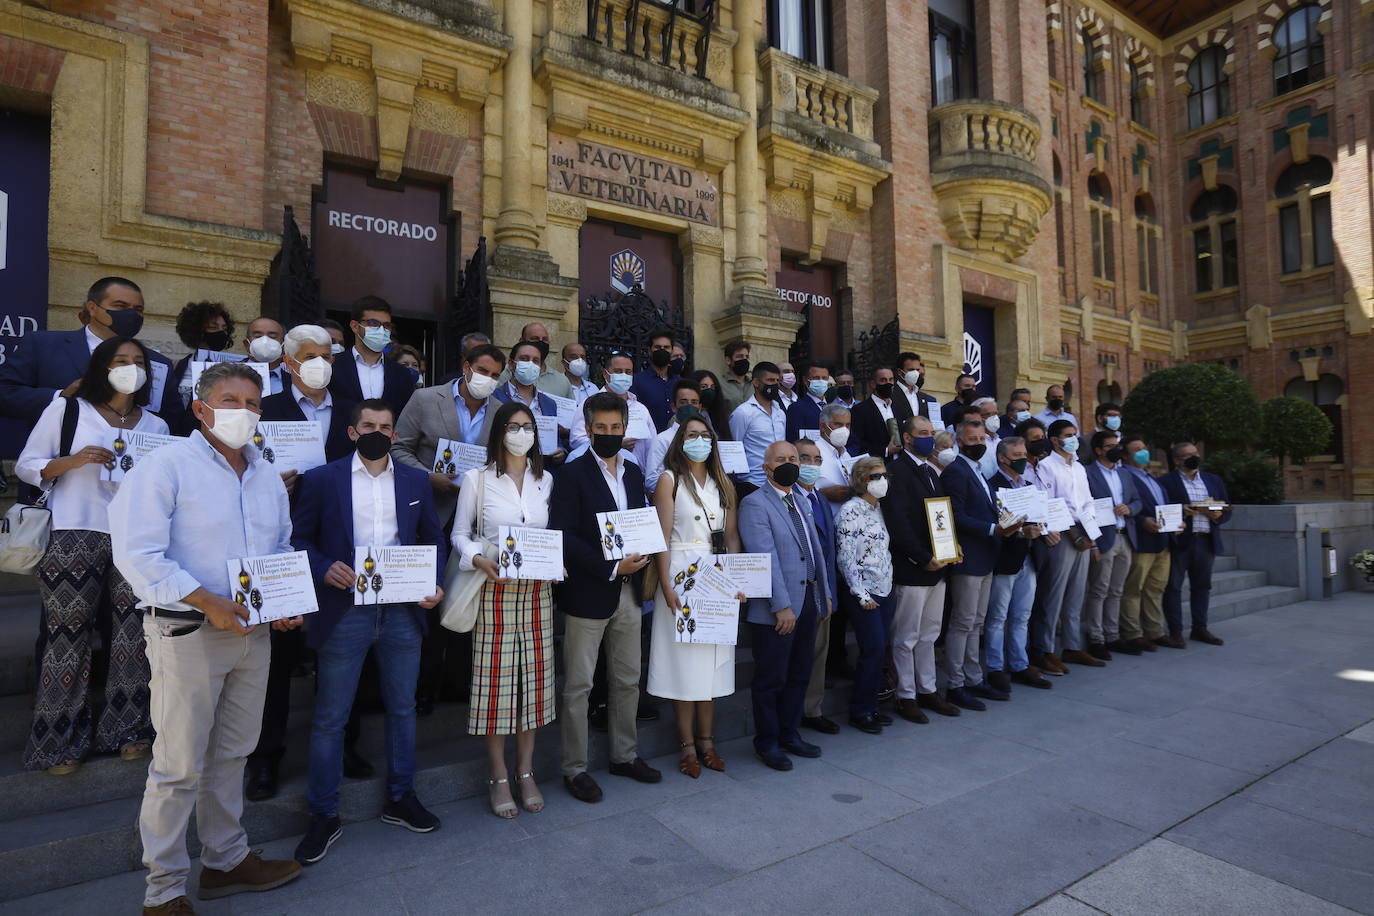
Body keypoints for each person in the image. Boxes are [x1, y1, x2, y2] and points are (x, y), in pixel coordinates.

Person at [108, 362, 302, 914]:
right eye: (231, 400)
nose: (245, 412)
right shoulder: (166, 465)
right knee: (178, 764)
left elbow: (282, 546)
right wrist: (207, 600)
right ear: (200, 408)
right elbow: (138, 554)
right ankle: (164, 890)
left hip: (253, 634)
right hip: (188, 632)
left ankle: (225, 861)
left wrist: (285, 600)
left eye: (253, 403)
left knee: (234, 752)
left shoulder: (265, 472)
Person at [290, 400, 446, 864]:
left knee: (402, 707)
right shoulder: (322, 479)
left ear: (395, 434)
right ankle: (323, 813)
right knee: (330, 716)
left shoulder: (415, 480)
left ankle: (400, 797)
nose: (377, 432)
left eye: (385, 427)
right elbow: (299, 538)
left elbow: (431, 538)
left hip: (402, 609)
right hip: (345, 610)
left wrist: (434, 582)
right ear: (352, 432)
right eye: (368, 426)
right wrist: (322, 567)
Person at [17, 336, 166, 774]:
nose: (131, 368)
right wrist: (72, 460)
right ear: (102, 366)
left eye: (138, 362)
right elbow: (28, 463)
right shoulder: (67, 410)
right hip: (72, 529)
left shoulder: (155, 427)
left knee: (135, 635)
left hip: (135, 536)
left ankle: (128, 729)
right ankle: (57, 739)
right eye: (121, 360)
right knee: (67, 637)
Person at [247, 324, 366, 801]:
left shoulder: (351, 413)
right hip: (278, 544)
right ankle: (265, 759)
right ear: (289, 362)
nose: (321, 362)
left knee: (343, 648)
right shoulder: (264, 410)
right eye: (311, 355)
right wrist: (269, 482)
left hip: (338, 545)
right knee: (276, 661)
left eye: (327, 354)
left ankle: (347, 746)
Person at [552, 393, 662, 802]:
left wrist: (645, 552)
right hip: (588, 592)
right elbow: (564, 535)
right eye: (602, 428)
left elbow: (638, 523)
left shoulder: (632, 473)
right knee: (579, 685)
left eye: (617, 428)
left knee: (628, 680)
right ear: (588, 427)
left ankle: (624, 754)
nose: (610, 435)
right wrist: (612, 567)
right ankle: (574, 767)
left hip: (630, 594)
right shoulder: (571, 473)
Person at [451, 401, 557, 817]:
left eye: (528, 426)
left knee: (533, 685)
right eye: (513, 426)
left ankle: (526, 771)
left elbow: (550, 535)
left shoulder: (545, 478)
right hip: (494, 590)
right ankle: (497, 775)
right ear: (499, 431)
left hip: (536, 594)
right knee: (495, 689)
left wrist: (555, 563)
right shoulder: (477, 479)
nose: (521, 433)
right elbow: (460, 533)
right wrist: (477, 558)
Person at [647, 414, 741, 777]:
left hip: (715, 579)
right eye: (691, 435)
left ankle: (708, 741)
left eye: (705, 434)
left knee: (710, 666)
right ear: (679, 440)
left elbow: (730, 537)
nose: (698, 440)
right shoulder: (669, 481)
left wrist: (734, 580)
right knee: (683, 667)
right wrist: (666, 586)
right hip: (681, 578)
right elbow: (663, 535)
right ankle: (687, 747)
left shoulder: (724, 483)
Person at [0, 277, 179, 455]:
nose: (131, 315)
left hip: (131, 472)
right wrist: (59, 396)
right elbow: (5, 394)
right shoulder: (42, 345)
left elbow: (172, 421)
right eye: (120, 306)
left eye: (138, 309)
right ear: (92, 308)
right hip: (58, 468)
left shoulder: (158, 363)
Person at [738, 441, 834, 770]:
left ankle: (790, 733)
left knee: (799, 673)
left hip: (809, 598)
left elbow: (815, 551)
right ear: (767, 468)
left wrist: (825, 594)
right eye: (782, 459)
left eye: (794, 458)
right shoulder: (755, 504)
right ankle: (767, 742)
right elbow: (765, 557)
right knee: (771, 679)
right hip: (777, 609)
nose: (790, 463)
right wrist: (781, 605)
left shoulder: (801, 499)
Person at [882, 416, 957, 721]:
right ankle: (906, 695)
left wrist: (953, 545)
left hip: (938, 566)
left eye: (931, 433)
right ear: (908, 438)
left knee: (929, 634)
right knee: (906, 636)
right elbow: (899, 523)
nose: (929, 438)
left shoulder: (931, 471)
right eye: (922, 433)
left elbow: (940, 515)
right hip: (913, 568)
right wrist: (922, 556)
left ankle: (928, 689)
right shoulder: (897, 470)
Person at [942, 417, 1019, 709]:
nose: (978, 445)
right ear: (959, 441)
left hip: (987, 556)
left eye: (982, 440)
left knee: (976, 623)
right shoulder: (956, 472)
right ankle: (955, 684)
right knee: (962, 623)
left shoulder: (977, 471)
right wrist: (993, 529)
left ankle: (973, 678)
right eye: (972, 440)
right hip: (969, 558)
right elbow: (956, 516)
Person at [393, 343, 505, 527]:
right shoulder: (424, 399)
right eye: (483, 371)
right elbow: (398, 448)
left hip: (476, 516)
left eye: (495, 375)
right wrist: (427, 476)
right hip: (429, 506)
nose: (488, 379)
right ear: (466, 368)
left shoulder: (500, 411)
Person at [1032, 420, 1103, 670]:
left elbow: (1088, 500)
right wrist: (1072, 533)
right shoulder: (1046, 466)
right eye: (1068, 435)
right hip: (1061, 534)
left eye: (1075, 434)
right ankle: (1045, 649)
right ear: (1054, 440)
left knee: (1076, 594)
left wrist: (1091, 531)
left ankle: (1072, 647)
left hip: (1084, 532)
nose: (1074, 439)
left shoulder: (1079, 467)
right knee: (1053, 594)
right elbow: (1049, 502)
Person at [985, 438, 1052, 692]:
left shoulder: (1028, 484)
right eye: (1017, 454)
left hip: (1027, 557)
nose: (1024, 458)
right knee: (998, 617)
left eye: (1024, 453)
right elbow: (1000, 525)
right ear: (1003, 458)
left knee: (1022, 615)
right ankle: (995, 667)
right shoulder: (993, 486)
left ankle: (1020, 664)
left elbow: (1038, 517)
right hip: (1004, 559)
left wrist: (1044, 529)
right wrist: (1024, 531)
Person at [834, 457, 896, 733]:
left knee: (880, 649)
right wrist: (860, 594)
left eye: (883, 475)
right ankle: (860, 710)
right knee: (871, 649)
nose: (881, 481)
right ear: (861, 480)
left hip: (885, 589)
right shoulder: (850, 511)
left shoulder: (880, 509)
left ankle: (872, 706)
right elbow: (846, 558)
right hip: (863, 593)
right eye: (874, 476)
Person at [1161, 442, 1231, 647]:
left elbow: (1227, 508)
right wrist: (1182, 510)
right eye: (1187, 455)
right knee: (1173, 587)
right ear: (1176, 460)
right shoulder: (1166, 482)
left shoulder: (1213, 480)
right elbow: (1161, 509)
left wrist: (1218, 515)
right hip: (1180, 541)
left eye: (1195, 453)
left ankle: (1200, 628)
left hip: (1206, 540)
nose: (1193, 457)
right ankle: (1175, 631)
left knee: (1202, 586)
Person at [1083, 431, 1141, 659]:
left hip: (1124, 536)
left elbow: (1137, 501)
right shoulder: (1088, 473)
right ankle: (1096, 638)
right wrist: (1093, 543)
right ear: (1098, 450)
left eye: (1117, 445)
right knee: (1099, 590)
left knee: (1117, 590)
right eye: (1110, 446)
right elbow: (1084, 507)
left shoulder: (1125, 474)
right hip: (1103, 537)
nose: (1116, 449)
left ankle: (1113, 635)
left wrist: (1130, 509)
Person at [796, 439, 839, 736]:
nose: (811, 465)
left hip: (822, 590)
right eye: (804, 459)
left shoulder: (820, 499)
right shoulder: (788, 498)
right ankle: (792, 711)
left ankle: (813, 709)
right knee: (797, 655)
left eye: (816, 459)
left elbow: (829, 552)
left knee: (820, 652)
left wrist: (830, 593)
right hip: (797, 591)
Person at [1116, 437, 1169, 653]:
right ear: (1127, 455)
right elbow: (1124, 505)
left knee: (1155, 588)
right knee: (1133, 589)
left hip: (1162, 539)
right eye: (1136, 450)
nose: (1143, 452)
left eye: (1144, 448)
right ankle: (1133, 633)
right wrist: (1141, 520)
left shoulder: (1152, 476)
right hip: (1141, 540)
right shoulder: (1124, 476)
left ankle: (1155, 631)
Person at [327, 296, 416, 415]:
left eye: (386, 325)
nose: (381, 330)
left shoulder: (401, 374)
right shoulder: (332, 366)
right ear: (355, 326)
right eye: (373, 323)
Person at [570, 352, 655, 468]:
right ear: (606, 374)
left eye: (628, 372)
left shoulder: (641, 408)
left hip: (636, 474)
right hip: (598, 470)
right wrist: (614, 443)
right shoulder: (589, 404)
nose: (624, 375)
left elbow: (652, 446)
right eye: (618, 371)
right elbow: (576, 440)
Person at [493, 340, 567, 464]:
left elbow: (556, 441)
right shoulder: (495, 398)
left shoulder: (549, 403)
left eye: (535, 361)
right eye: (524, 359)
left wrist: (561, 451)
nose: (530, 364)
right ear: (511, 364)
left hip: (542, 471)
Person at [168, 300, 236, 419]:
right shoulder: (178, 365)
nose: (221, 332)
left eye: (224, 328)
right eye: (213, 327)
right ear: (197, 331)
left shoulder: (234, 368)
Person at [728, 361, 787, 487]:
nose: (775, 384)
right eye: (770, 380)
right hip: (753, 483)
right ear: (756, 382)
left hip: (779, 482)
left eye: (777, 380)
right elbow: (734, 448)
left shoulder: (780, 413)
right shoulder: (743, 413)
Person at [646, 380, 702, 493]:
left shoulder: (706, 439)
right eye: (683, 402)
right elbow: (651, 480)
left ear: (700, 407)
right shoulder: (662, 440)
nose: (689, 407)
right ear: (674, 407)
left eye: (694, 402)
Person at [631, 328, 680, 431]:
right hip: (648, 442)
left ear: (672, 351)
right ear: (649, 351)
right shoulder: (637, 381)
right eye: (657, 347)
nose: (662, 350)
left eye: (666, 347)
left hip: (676, 442)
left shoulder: (679, 382)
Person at [848, 367, 901, 458]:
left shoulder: (898, 407)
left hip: (899, 464)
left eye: (891, 380)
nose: (888, 383)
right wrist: (886, 451)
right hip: (876, 464)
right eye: (883, 380)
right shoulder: (860, 410)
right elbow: (858, 442)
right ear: (873, 384)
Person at [784, 362, 830, 441]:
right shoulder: (796, 408)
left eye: (824, 378)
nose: (821, 381)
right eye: (816, 378)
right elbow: (794, 439)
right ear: (805, 380)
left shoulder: (833, 407)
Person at [243, 316, 287, 396]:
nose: (265, 342)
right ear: (247, 345)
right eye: (258, 336)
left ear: (283, 346)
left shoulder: (295, 379)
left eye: (272, 337)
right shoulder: (227, 374)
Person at [894, 352, 938, 422]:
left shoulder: (924, 398)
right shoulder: (890, 394)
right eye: (911, 370)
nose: (915, 373)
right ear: (900, 372)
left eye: (917, 370)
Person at [691, 369, 731, 439]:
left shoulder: (718, 415)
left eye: (712, 387)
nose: (709, 391)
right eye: (704, 387)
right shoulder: (687, 414)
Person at [972, 397, 1002, 477]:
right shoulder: (974, 443)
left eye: (995, 413)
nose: (994, 418)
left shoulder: (1000, 442)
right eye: (988, 414)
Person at [720, 339, 752, 415]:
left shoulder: (754, 384)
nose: (744, 360)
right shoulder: (720, 385)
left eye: (746, 357)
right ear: (728, 360)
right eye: (740, 356)